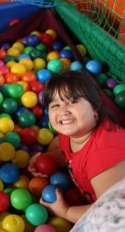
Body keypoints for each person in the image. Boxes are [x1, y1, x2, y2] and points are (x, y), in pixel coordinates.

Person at [28, 71, 125, 223]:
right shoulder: (71, 130)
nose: (63, 111)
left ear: (95, 108)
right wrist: (45, 160)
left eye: (73, 102)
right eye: (55, 105)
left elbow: (109, 214)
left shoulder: (103, 155)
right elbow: (61, 147)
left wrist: (66, 212)